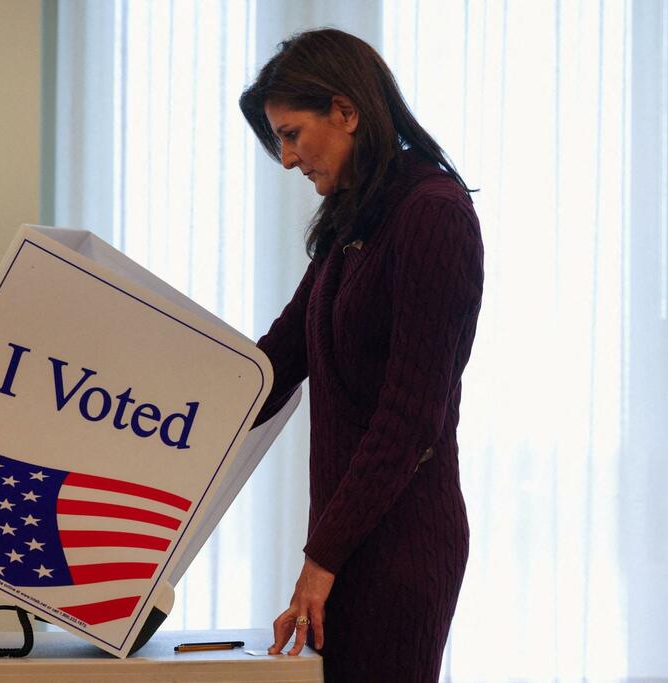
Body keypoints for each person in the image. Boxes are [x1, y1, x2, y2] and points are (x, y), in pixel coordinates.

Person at [239, 28, 484, 682]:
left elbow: (409, 420)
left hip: (400, 546)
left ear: (346, 112)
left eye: (292, 134)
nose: (287, 159)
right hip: (349, 541)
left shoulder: (433, 213)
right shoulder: (357, 219)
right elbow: (275, 360)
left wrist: (322, 558)